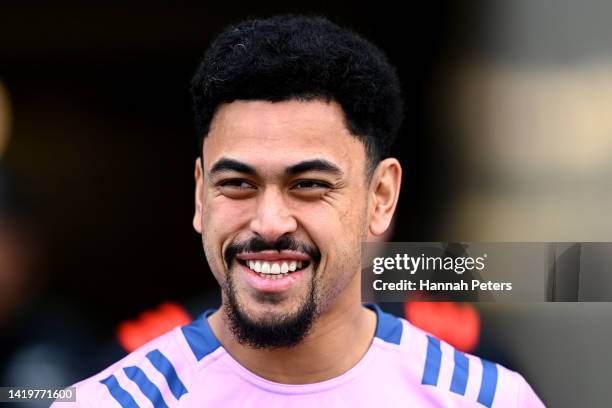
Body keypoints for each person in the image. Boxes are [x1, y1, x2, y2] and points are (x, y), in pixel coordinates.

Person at [55, 15, 543, 407]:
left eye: (308, 185)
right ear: (200, 196)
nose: (269, 222)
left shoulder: (487, 399)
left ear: (381, 199)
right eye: (238, 184)